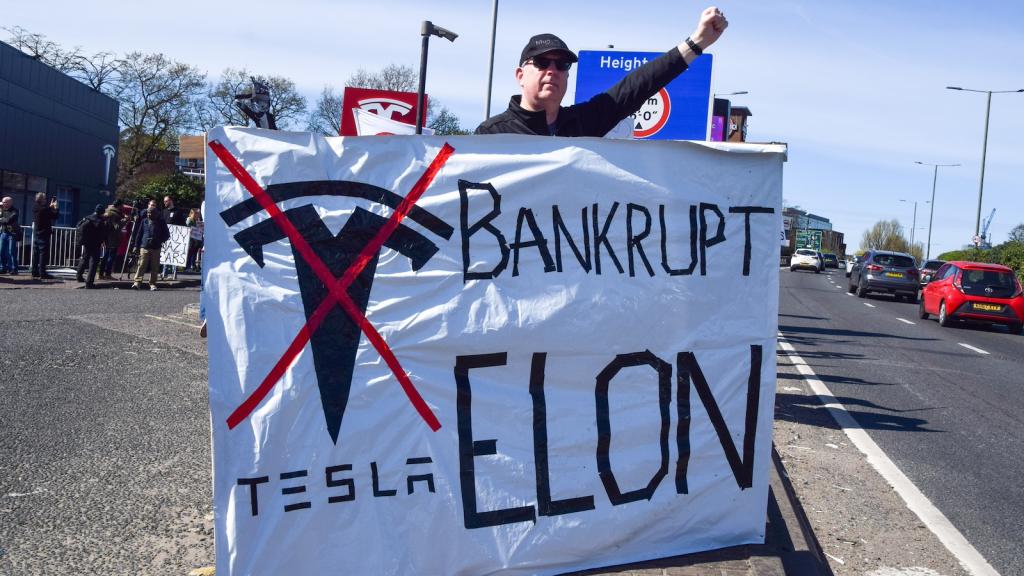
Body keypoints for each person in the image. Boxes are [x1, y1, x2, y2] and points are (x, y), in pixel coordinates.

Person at [476, 6, 728, 137]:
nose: (552, 70)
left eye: (561, 65)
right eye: (542, 62)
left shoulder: (583, 124)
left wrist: (697, 43)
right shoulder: (491, 134)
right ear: (520, 75)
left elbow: (638, 85)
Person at [132, 200, 170, 291]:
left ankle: (152, 283)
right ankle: (137, 282)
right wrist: (136, 246)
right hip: (144, 246)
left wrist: (160, 240)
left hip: (156, 247)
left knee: (154, 266)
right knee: (141, 264)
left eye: (151, 213)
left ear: (156, 214)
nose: (149, 214)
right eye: (148, 213)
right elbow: (139, 234)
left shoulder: (161, 221)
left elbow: (167, 234)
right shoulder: (144, 221)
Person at [75, 204, 106, 288]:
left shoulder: (87, 217)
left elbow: (78, 225)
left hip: (86, 242)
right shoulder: (100, 221)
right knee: (93, 262)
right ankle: (89, 283)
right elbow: (102, 234)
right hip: (95, 243)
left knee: (84, 258)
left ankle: (79, 276)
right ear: (102, 212)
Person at [30, 192, 59, 279]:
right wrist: (56, 208)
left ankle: (34, 271)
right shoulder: (44, 209)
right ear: (41, 199)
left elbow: (45, 211)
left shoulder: (35, 207)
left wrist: (50, 207)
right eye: (45, 198)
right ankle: (42, 272)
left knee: (36, 253)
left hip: (36, 233)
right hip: (43, 233)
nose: (46, 200)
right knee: (43, 253)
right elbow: (54, 216)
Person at [162, 195, 185, 279]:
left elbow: (183, 224)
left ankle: (174, 273)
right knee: (165, 254)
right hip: (165, 236)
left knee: (174, 255)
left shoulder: (178, 211)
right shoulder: (164, 211)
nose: (164, 203)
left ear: (171, 201)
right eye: (164, 201)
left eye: (166, 201)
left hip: (175, 237)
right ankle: (164, 273)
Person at [99, 204, 124, 279]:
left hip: (106, 237)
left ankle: (100, 274)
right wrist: (125, 221)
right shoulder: (115, 215)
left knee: (105, 256)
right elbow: (117, 227)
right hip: (113, 238)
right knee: (111, 256)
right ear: (119, 206)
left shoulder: (107, 211)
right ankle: (107, 274)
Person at [0, 196, 20, 275]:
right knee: (1, 251)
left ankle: (13, 269)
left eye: (4, 202)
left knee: (11, 252)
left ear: (9, 203)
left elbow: (8, 220)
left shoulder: (15, 211)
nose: (3, 204)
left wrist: (2, 219)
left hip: (12, 233)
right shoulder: (2, 210)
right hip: (4, 232)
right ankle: (2, 268)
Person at [185, 207, 203, 272]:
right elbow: (188, 227)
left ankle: (193, 266)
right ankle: (187, 266)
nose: (198, 215)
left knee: (194, 253)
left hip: (196, 240)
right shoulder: (189, 220)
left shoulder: (197, 221)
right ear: (193, 214)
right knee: (189, 253)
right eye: (197, 214)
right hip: (191, 240)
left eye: (199, 214)